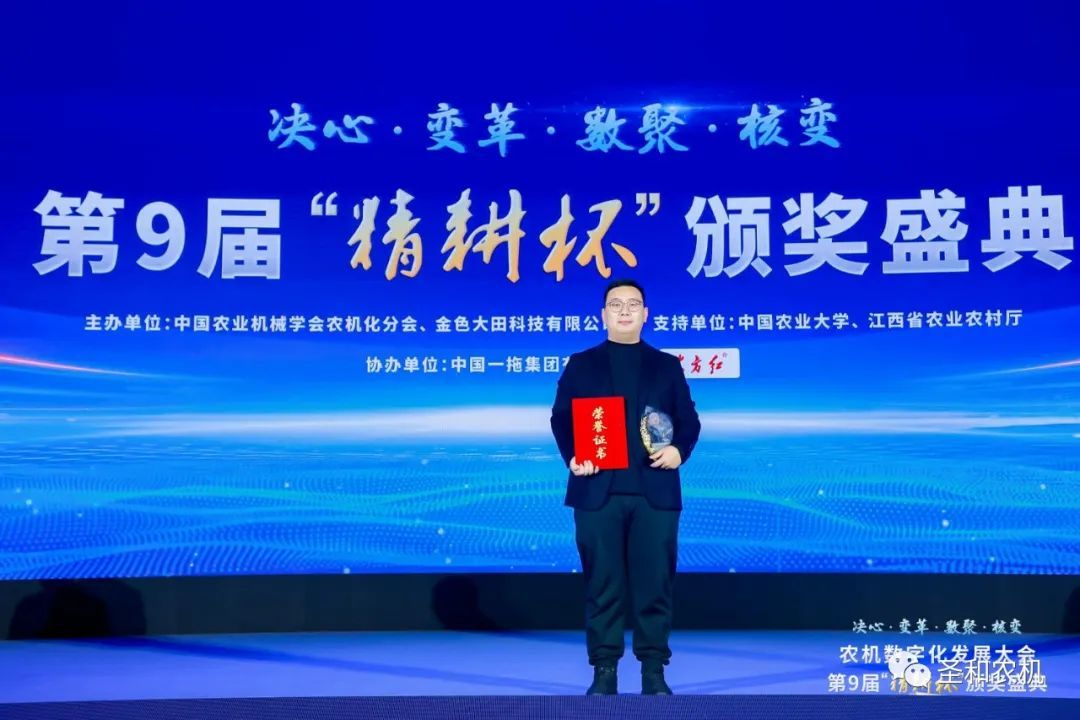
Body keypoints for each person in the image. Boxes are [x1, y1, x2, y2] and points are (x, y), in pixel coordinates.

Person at [550, 278, 701, 695]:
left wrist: (679, 451)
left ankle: (654, 671)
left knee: (656, 585)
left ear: (645, 313)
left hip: (655, 493)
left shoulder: (666, 366)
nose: (624, 311)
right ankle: (604, 671)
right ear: (603, 314)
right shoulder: (581, 364)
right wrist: (574, 457)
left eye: (633, 304)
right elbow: (561, 419)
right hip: (597, 491)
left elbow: (688, 421)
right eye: (615, 304)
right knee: (603, 585)